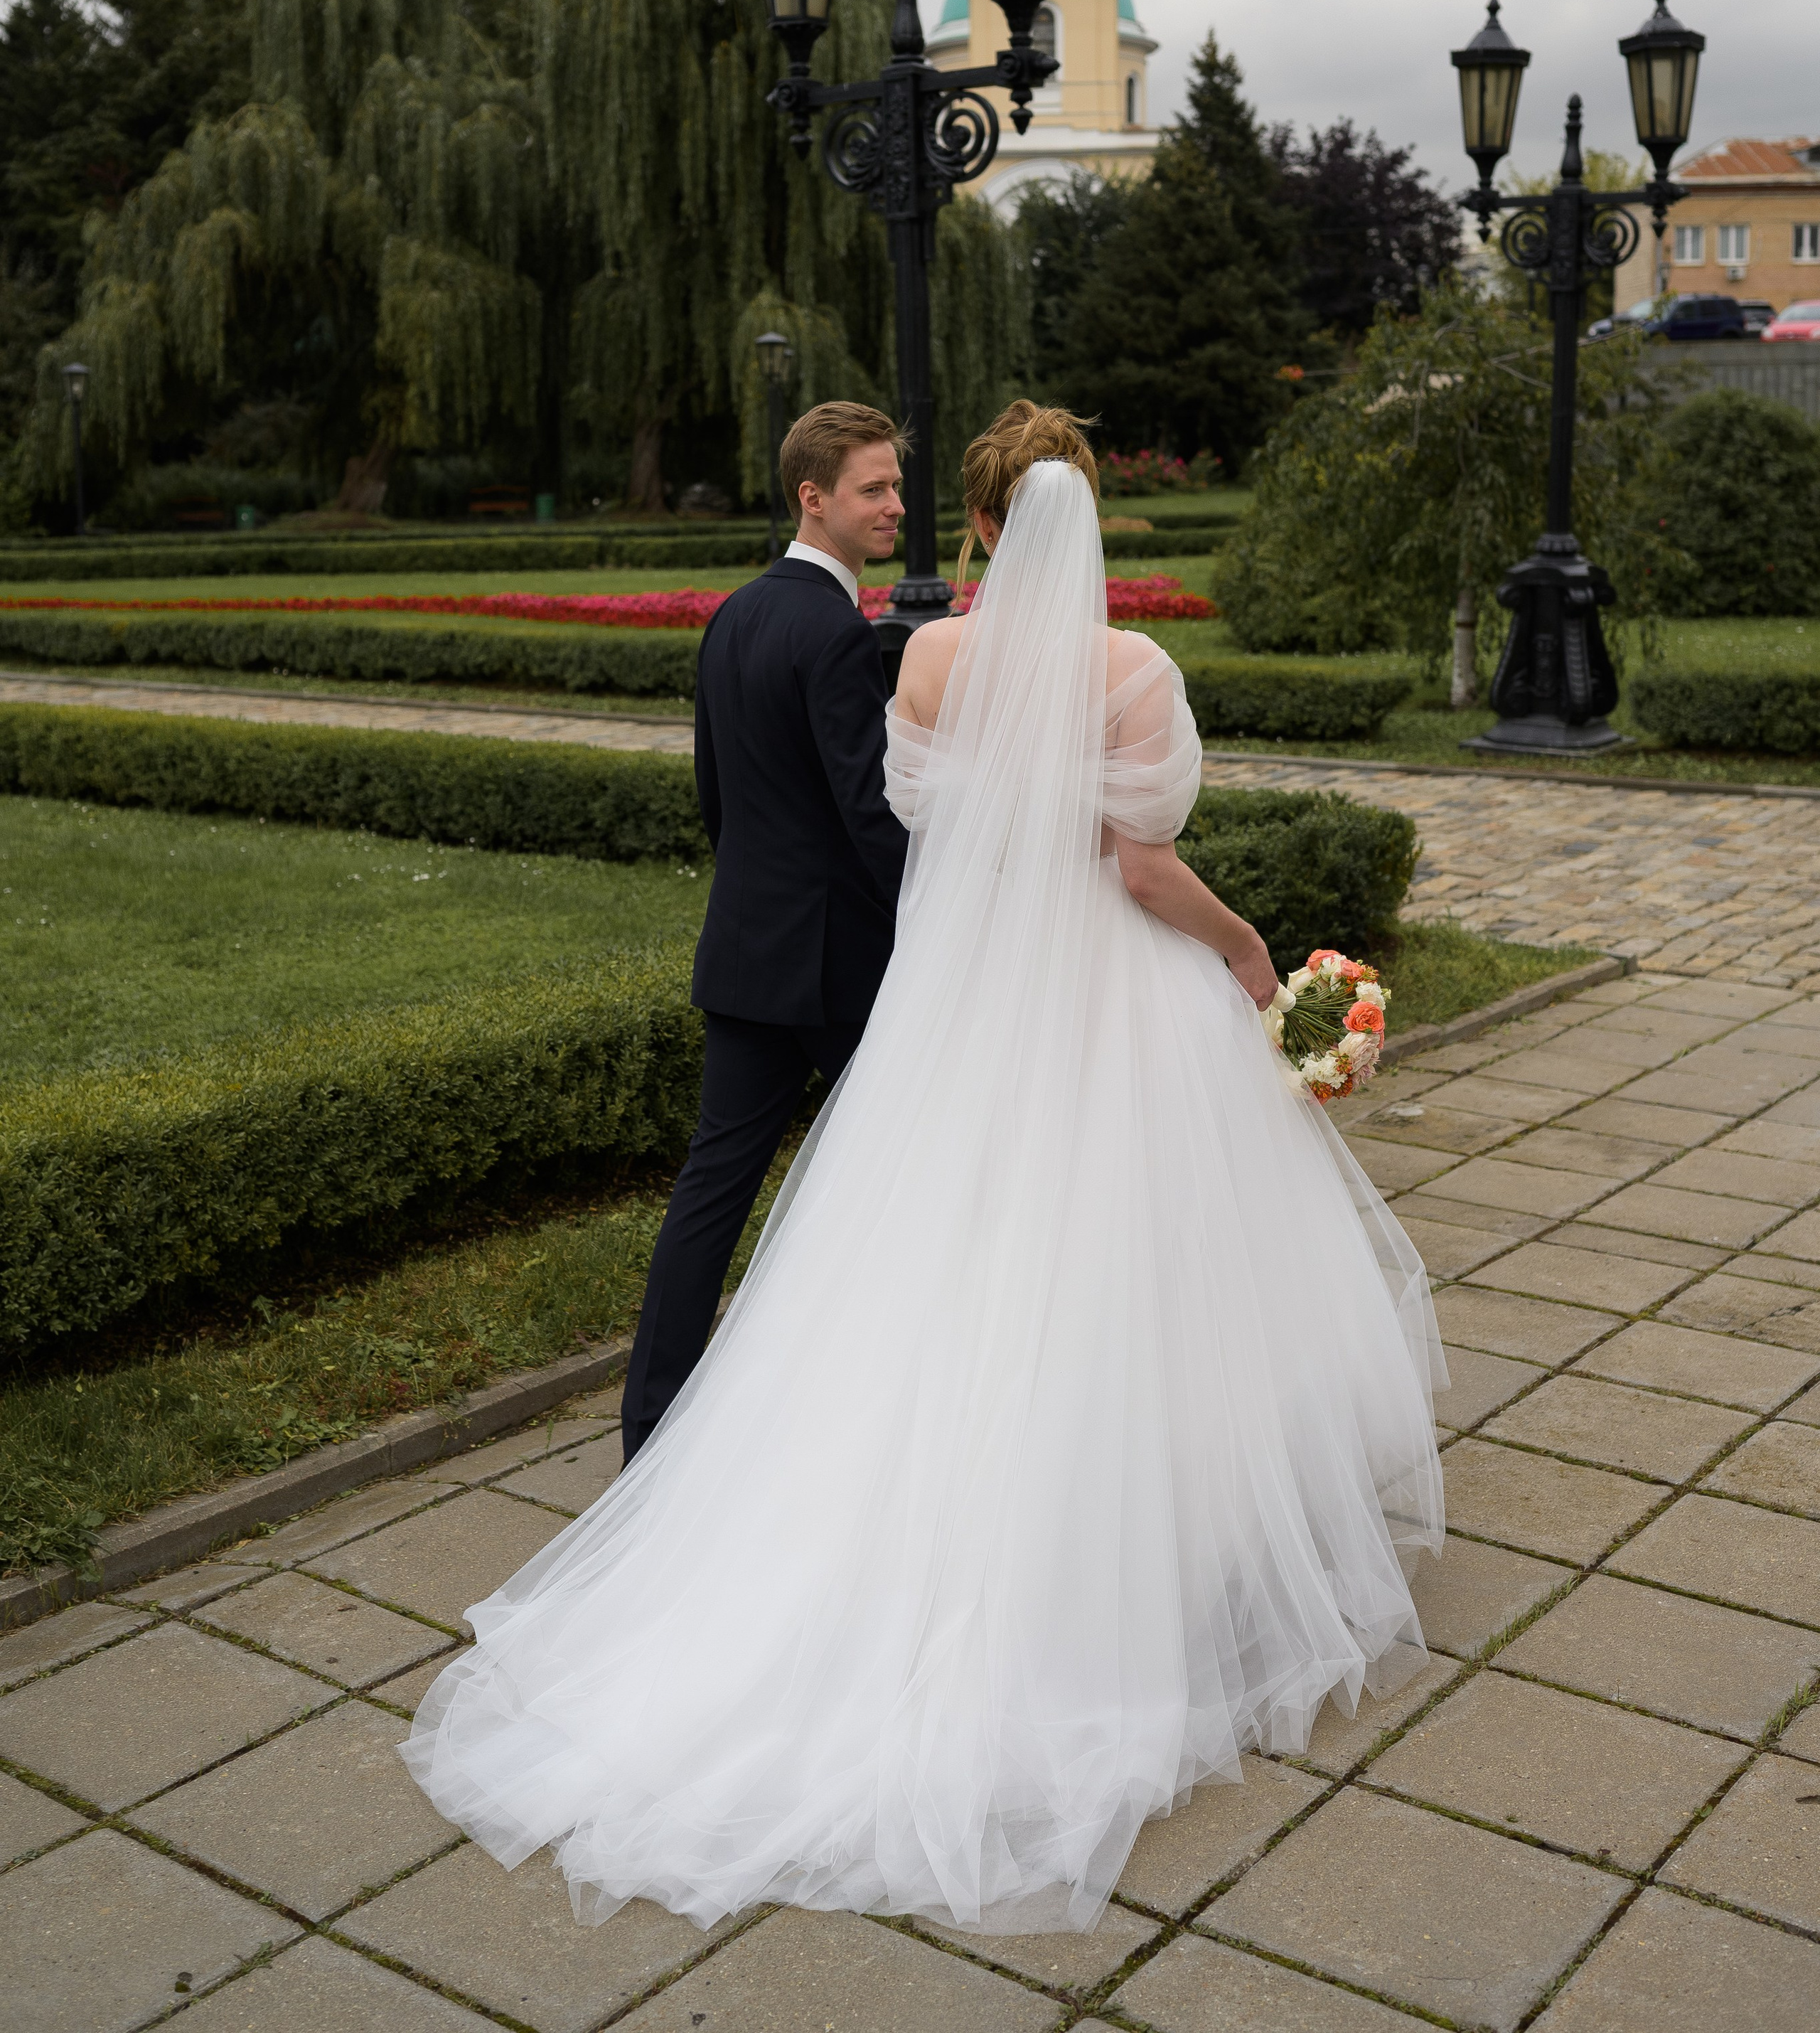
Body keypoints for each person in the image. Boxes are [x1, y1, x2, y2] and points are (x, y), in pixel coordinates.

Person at [402, 403, 1445, 1937]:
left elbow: (914, 832)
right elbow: (1139, 868)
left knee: (922, 1266)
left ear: (969, 523)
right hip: (1106, 1004)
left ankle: (871, 1531)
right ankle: (1152, 1564)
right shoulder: (1133, 671)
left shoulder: (926, 662)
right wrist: (1243, 948)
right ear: (1086, 517)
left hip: (963, 1016)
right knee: (1131, 1262)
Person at [619, 400, 911, 1463]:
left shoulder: (735, 615)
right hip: (838, 971)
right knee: (903, 1181)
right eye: (874, 487)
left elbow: (718, 799)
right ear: (814, 496)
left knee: (712, 1191)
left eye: (893, 484)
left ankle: (650, 1424)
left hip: (745, 951)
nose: (894, 504)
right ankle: (866, 1407)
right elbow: (869, 816)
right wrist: (940, 907)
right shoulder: (836, 631)